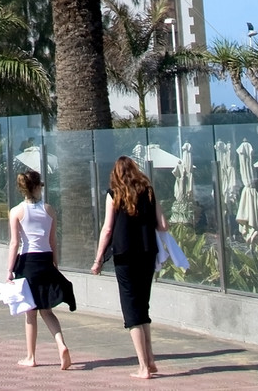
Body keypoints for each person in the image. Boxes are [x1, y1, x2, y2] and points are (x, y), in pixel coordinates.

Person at [92, 156, 168, 381]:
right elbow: (163, 224)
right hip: (147, 253)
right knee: (142, 306)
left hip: (124, 255)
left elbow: (107, 229)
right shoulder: (149, 191)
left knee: (131, 312)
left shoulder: (113, 194)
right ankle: (151, 359)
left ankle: (143, 367)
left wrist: (98, 260)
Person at [6, 169, 75, 370]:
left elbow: (14, 242)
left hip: (28, 261)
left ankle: (31, 356)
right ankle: (61, 344)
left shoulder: (16, 211)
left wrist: (9, 270)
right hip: (46, 260)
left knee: (30, 312)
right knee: (47, 310)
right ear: (37, 187)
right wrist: (55, 262)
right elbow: (53, 240)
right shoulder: (49, 210)